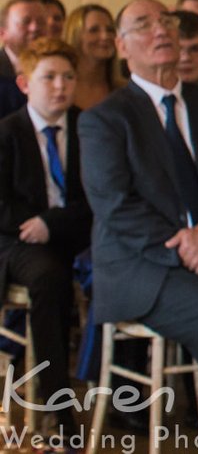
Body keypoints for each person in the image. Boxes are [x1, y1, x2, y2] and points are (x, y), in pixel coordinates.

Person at [77, 0, 198, 413]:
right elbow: (116, 206)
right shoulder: (104, 119)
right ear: (122, 46)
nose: (160, 30)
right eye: (143, 24)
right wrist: (191, 252)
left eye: (167, 21)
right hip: (143, 267)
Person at [0, 38, 94, 439]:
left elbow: (98, 196)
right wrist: (35, 224)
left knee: (115, 267)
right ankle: (58, 407)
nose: (61, 86)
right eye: (49, 77)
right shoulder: (7, 132)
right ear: (25, 84)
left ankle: (121, 388)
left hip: (76, 232)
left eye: (68, 77)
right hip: (17, 238)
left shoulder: (88, 127)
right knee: (48, 278)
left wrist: (53, 222)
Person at [64, 3, 124, 110]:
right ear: (76, 36)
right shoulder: (60, 88)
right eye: (94, 30)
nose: (105, 36)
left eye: (110, 30)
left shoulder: (124, 91)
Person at [0, 0, 47, 117]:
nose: (35, 28)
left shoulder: (58, 68)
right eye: (26, 22)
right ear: (3, 33)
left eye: (41, 22)